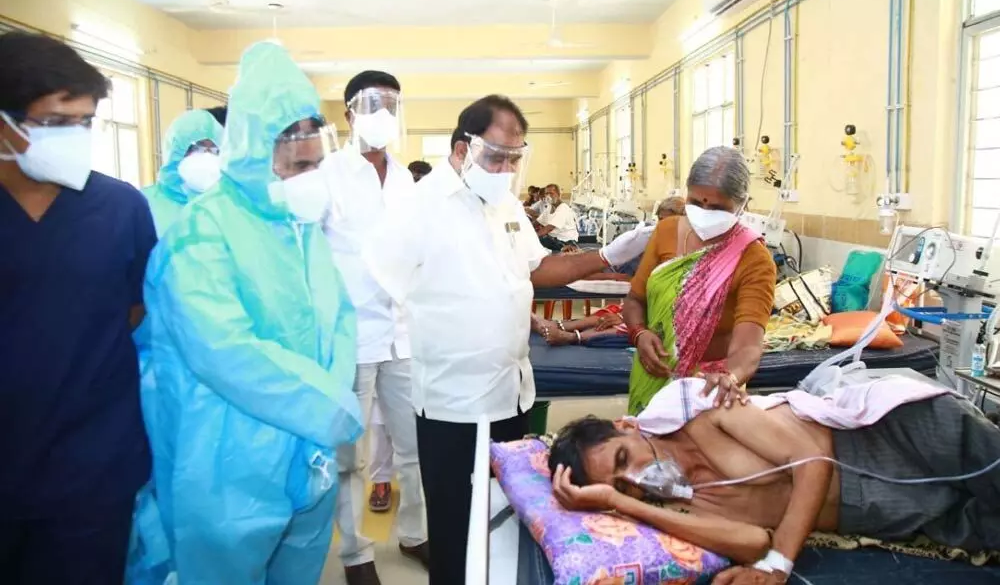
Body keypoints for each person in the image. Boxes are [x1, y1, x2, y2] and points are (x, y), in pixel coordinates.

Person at [363, 94, 655, 585]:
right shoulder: (418, 207)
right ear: (461, 149)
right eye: (496, 156)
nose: (505, 168)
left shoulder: (504, 205)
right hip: (454, 402)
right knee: (457, 531)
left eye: (515, 158)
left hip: (511, 392)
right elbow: (379, 282)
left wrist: (608, 255)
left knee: (504, 521)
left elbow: (541, 267)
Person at [138, 41, 362, 584]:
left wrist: (332, 395)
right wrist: (328, 402)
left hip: (307, 452)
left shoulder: (300, 226)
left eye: (315, 163)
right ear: (251, 151)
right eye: (295, 165)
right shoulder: (202, 232)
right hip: (227, 462)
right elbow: (226, 350)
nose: (309, 178)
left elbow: (338, 316)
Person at [549, 376, 1000, 584]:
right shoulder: (674, 506)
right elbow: (751, 542)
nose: (639, 478)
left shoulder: (700, 409)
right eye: (624, 484)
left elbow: (812, 458)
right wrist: (623, 503)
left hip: (889, 433)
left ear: (628, 426)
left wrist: (779, 565)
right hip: (878, 509)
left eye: (624, 457)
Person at [0, 32, 157, 583]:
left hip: (91, 468)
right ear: (6, 123)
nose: (77, 136)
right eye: (56, 123)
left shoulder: (120, 208)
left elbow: (138, 309)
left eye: (86, 121)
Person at [321, 70, 426, 585]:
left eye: (392, 105)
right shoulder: (326, 174)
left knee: (414, 446)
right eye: (372, 104)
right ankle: (356, 555)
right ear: (349, 114)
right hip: (351, 336)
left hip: (402, 332)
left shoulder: (407, 179)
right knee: (349, 456)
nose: (383, 114)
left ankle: (416, 533)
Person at [624, 146, 776, 415]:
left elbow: (748, 346)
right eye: (695, 202)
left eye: (718, 207)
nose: (705, 211)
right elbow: (635, 299)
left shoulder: (754, 258)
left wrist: (729, 377)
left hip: (709, 390)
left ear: (741, 204)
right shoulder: (667, 231)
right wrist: (639, 334)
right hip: (652, 373)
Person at [142, 109, 224, 235]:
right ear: (175, 150)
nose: (207, 157)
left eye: (215, 150)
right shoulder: (143, 205)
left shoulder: (227, 208)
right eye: (197, 148)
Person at [536, 183, 579, 251]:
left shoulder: (563, 208)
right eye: (546, 193)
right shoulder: (550, 207)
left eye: (551, 193)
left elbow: (549, 228)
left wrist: (532, 237)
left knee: (537, 239)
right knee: (538, 240)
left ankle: (566, 249)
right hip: (554, 239)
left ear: (559, 194)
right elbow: (538, 221)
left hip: (566, 241)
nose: (548, 196)